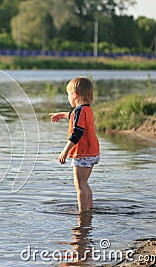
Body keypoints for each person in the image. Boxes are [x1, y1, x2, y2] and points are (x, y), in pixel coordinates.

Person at [49, 77, 99, 213]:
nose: (68, 97)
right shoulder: (86, 109)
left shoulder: (79, 111)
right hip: (92, 152)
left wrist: (64, 152)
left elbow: (77, 133)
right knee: (85, 183)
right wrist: (62, 115)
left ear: (75, 95)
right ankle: (89, 209)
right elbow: (74, 115)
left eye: (68, 94)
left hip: (82, 153)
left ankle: (82, 213)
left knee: (80, 185)